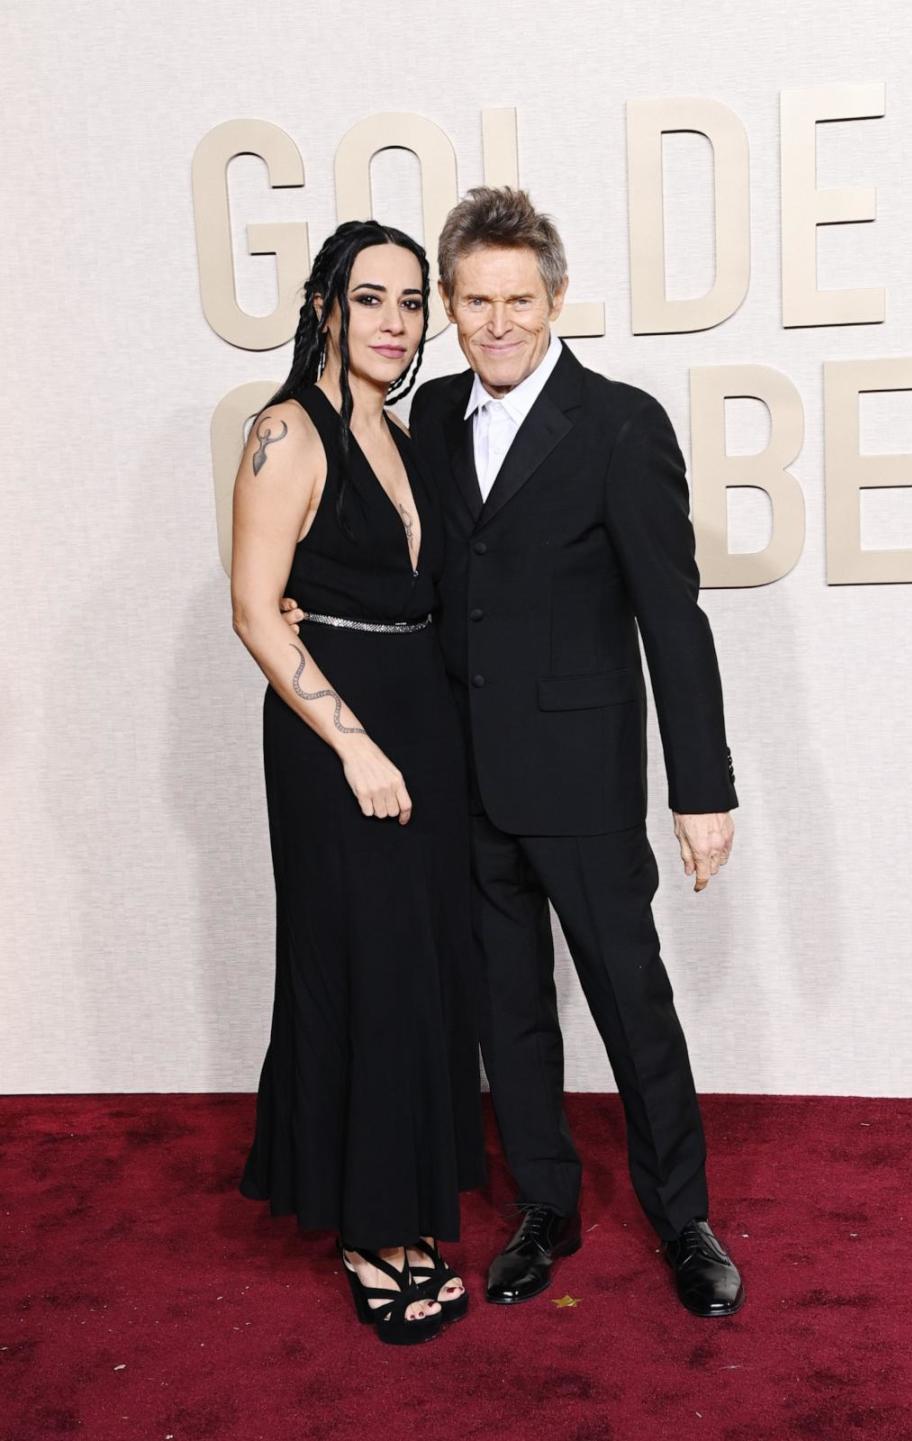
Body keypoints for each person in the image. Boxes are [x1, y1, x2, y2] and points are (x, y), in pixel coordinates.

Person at [282, 188, 744, 1319]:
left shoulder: (621, 424)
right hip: (459, 778)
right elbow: (385, 550)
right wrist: (305, 605)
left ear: (556, 299)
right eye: (475, 300)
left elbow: (671, 615)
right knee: (507, 1007)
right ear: (451, 303)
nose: (497, 322)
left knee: (631, 1001)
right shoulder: (428, 418)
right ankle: (546, 1203)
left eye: (518, 300)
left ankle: (683, 1219)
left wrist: (701, 790)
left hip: (582, 781)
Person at [231, 219, 484, 1346]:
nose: (394, 323)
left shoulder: (410, 428)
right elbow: (253, 607)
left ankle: (413, 1207)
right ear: (327, 305)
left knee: (423, 969)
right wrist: (355, 743)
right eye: (371, 299)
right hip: (338, 739)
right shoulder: (287, 430)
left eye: (410, 303)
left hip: (424, 721)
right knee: (361, 968)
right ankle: (366, 1230)